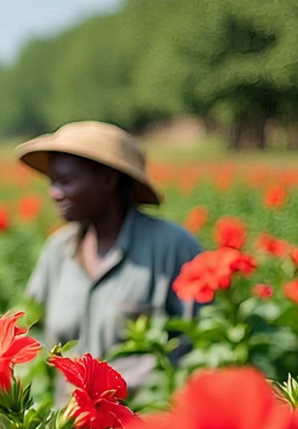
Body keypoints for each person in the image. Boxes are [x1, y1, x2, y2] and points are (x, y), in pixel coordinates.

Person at [16, 122, 200, 375]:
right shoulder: (57, 250)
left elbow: (202, 348)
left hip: (145, 412)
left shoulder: (173, 247)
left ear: (108, 179)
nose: (54, 193)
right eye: (52, 181)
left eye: (65, 181)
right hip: (67, 413)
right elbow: (31, 334)